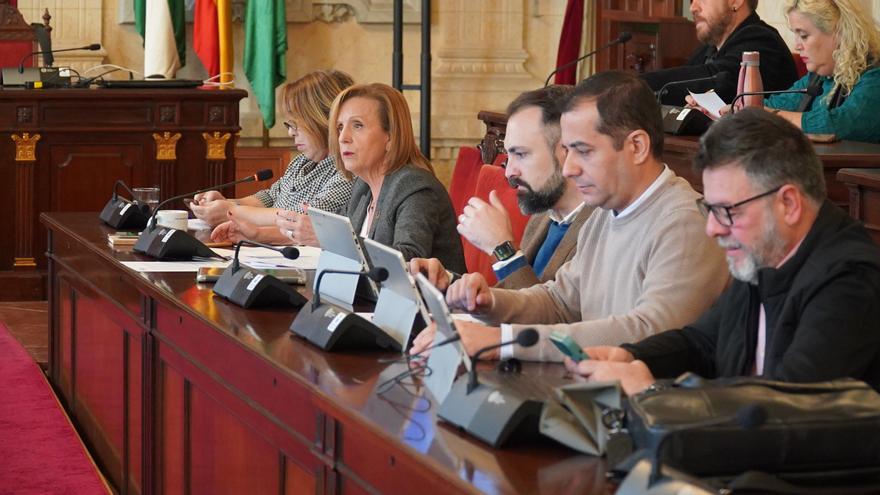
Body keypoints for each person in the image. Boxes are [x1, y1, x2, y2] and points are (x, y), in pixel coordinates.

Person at [410, 71, 729, 361]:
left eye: (584, 151)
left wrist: (503, 340)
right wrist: (490, 303)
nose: (569, 167)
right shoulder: (606, 213)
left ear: (636, 147)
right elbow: (560, 302)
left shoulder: (685, 223)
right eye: (568, 151)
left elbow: (649, 332)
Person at [566, 108, 880, 394]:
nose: (713, 228)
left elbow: (789, 407)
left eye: (727, 211)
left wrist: (653, 395)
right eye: (710, 209)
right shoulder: (764, 251)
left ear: (789, 204)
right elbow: (703, 341)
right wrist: (633, 357)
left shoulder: (850, 280)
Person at [410, 85, 592, 291]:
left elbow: (550, 317)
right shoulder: (543, 217)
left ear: (566, 150)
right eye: (508, 155)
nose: (508, 172)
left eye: (521, 154)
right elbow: (515, 299)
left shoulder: (599, 227)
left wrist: (502, 248)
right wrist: (450, 283)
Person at [289, 82, 466, 272]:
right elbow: (350, 237)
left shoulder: (415, 188)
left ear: (390, 136)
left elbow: (408, 259)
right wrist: (318, 221)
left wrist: (328, 239)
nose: (343, 138)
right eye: (340, 127)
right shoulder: (362, 188)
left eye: (357, 126)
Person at [189, 70, 354, 244]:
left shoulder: (347, 169)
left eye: (296, 124)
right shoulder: (301, 162)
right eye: (288, 125)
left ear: (322, 119)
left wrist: (230, 211)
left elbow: (305, 220)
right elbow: (271, 197)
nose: (290, 132)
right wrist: (228, 202)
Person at [761, 0, 880, 143]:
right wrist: (739, 109)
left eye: (804, 36)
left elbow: (838, 125)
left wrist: (769, 114)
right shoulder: (819, 76)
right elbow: (777, 104)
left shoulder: (874, 75)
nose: (796, 46)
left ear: (840, 33)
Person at [643, 0, 798, 105]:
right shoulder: (709, 48)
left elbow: (718, 79)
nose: (693, 7)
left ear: (735, 1)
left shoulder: (762, 40)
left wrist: (634, 86)